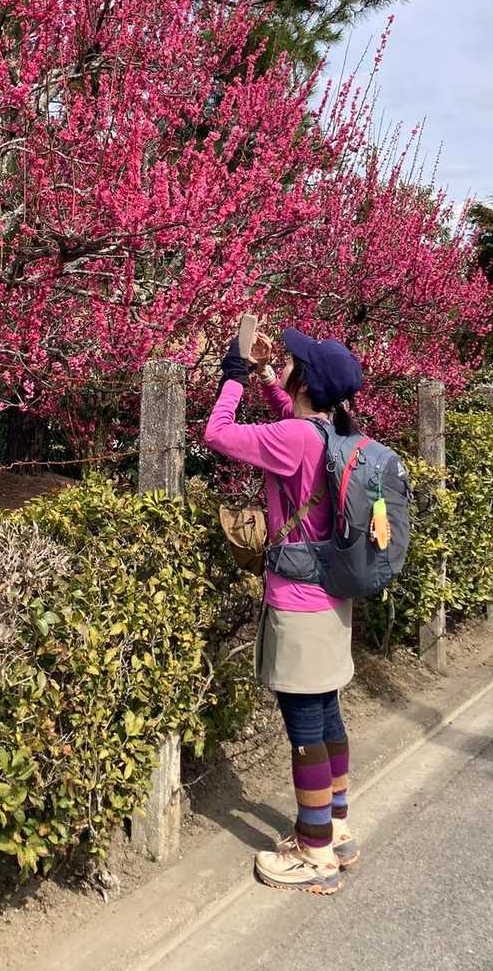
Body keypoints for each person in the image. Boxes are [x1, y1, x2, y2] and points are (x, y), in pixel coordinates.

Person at [205, 325, 364, 896]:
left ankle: (314, 853)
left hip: (297, 603)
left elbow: (217, 433)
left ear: (307, 382)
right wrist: (272, 381)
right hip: (333, 600)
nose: (288, 362)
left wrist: (233, 374)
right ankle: (336, 830)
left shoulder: (294, 438)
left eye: (295, 363)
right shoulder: (332, 431)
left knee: (304, 728)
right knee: (326, 713)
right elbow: (290, 428)